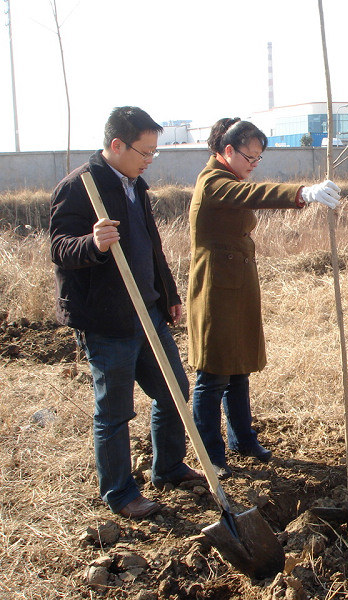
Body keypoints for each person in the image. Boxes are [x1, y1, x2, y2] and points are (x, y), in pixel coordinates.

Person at [50, 106, 202, 520]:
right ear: (116, 145)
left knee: (174, 392)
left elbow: (150, 244)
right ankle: (119, 492)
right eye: (144, 152)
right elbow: (59, 249)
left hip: (147, 312)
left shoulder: (136, 184)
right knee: (115, 412)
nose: (149, 159)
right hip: (107, 321)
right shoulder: (79, 187)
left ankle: (167, 467)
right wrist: (92, 243)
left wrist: (167, 292)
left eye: (154, 152)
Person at [187, 118, 341, 480]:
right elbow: (252, 195)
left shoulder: (229, 179)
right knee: (213, 374)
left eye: (258, 158)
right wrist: (303, 193)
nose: (253, 165)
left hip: (236, 285)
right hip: (215, 289)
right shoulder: (213, 182)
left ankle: (243, 439)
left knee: (238, 368)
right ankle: (211, 454)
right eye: (249, 157)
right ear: (227, 150)